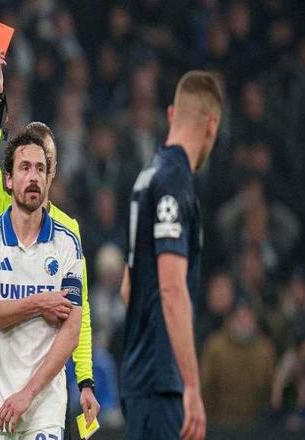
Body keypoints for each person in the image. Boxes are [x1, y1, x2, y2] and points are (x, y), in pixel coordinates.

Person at [0, 52, 100, 428]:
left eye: (44, 161)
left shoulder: (68, 230)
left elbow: (80, 311)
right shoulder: (0, 211)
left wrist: (85, 380)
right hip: (2, 380)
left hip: (46, 388)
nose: (35, 171)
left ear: (53, 171)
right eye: (27, 163)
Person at [119, 70, 223, 440]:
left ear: (170, 114)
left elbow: (128, 287)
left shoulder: (147, 175)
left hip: (139, 376)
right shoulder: (175, 183)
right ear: (211, 125)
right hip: (161, 381)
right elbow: (172, 288)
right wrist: (191, 385)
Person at [0, 130, 83, 438]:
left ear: (48, 178)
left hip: (44, 409)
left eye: (40, 169)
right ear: (8, 179)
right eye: (25, 168)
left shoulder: (67, 243)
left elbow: (72, 330)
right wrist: (39, 303)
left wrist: (28, 394)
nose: (33, 177)